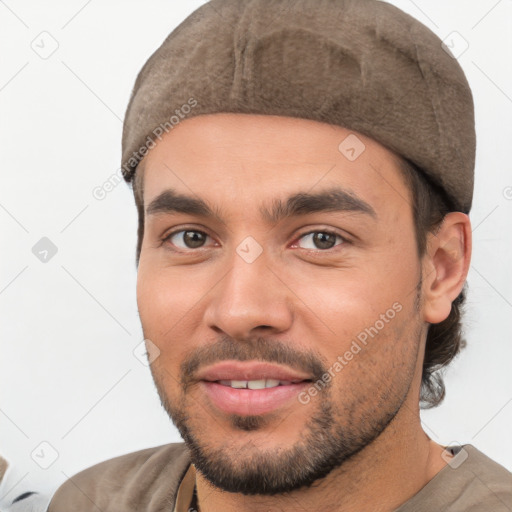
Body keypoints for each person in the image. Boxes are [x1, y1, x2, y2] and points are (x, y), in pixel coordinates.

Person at [48, 0, 512, 510]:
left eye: (321, 240)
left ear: (441, 269)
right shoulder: (92, 501)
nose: (240, 312)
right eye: (191, 238)